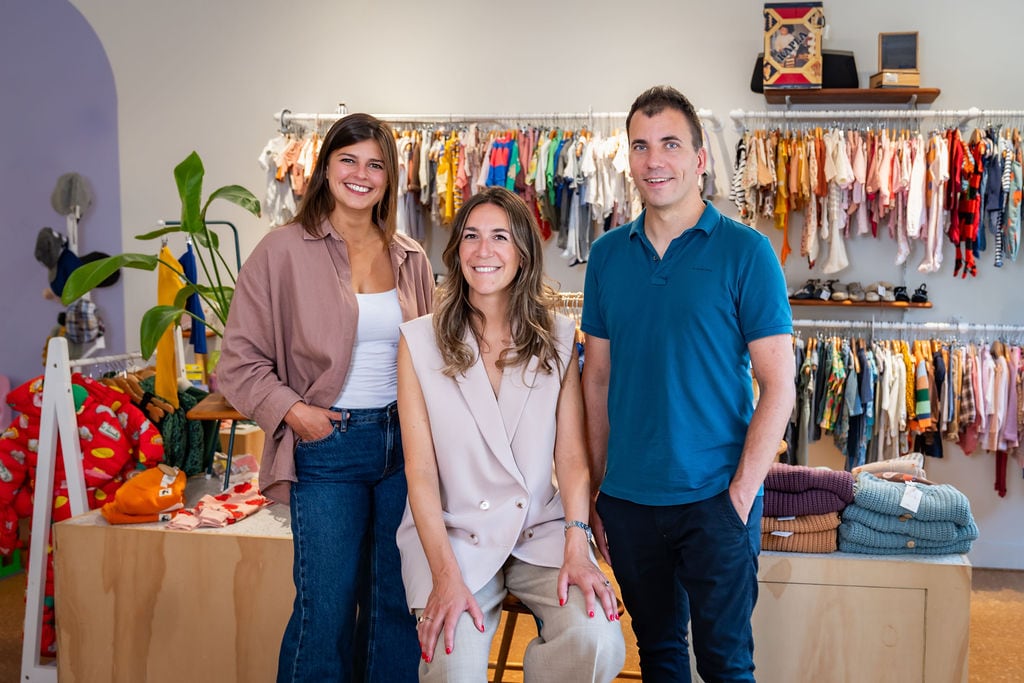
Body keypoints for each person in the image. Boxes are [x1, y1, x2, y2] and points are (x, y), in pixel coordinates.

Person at [581, 86, 796, 682]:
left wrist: (739, 499)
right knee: (661, 657)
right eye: (641, 146)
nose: (655, 160)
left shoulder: (747, 252)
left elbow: (779, 386)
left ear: (700, 159)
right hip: (629, 502)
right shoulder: (606, 257)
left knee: (728, 664)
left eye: (670, 144)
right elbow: (594, 381)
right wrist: (599, 490)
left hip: (715, 500)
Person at [218, 112, 434, 682]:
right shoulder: (281, 252)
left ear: (391, 178)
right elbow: (237, 364)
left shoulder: (410, 255)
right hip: (327, 448)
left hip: (402, 451)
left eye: (376, 164)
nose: (361, 175)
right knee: (326, 610)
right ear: (326, 167)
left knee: (397, 604)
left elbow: (432, 355)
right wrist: (295, 413)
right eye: (349, 160)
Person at [396, 186, 625, 681]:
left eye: (500, 237)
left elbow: (571, 459)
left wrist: (577, 545)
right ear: (456, 250)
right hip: (453, 534)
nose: (484, 251)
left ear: (522, 253)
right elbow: (420, 472)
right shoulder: (419, 340)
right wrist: (444, 577)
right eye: (472, 237)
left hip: (539, 530)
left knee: (596, 641)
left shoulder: (559, 337)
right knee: (452, 666)